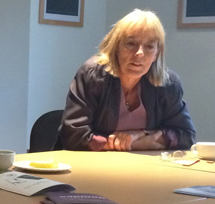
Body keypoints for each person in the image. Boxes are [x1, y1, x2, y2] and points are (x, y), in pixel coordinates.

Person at [59, 9, 195, 151]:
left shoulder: (168, 84)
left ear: (157, 53)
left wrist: (141, 135)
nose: (139, 53)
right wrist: (134, 144)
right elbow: (73, 136)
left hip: (147, 168)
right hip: (91, 167)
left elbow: (186, 136)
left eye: (149, 46)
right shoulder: (93, 75)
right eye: (131, 44)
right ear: (116, 46)